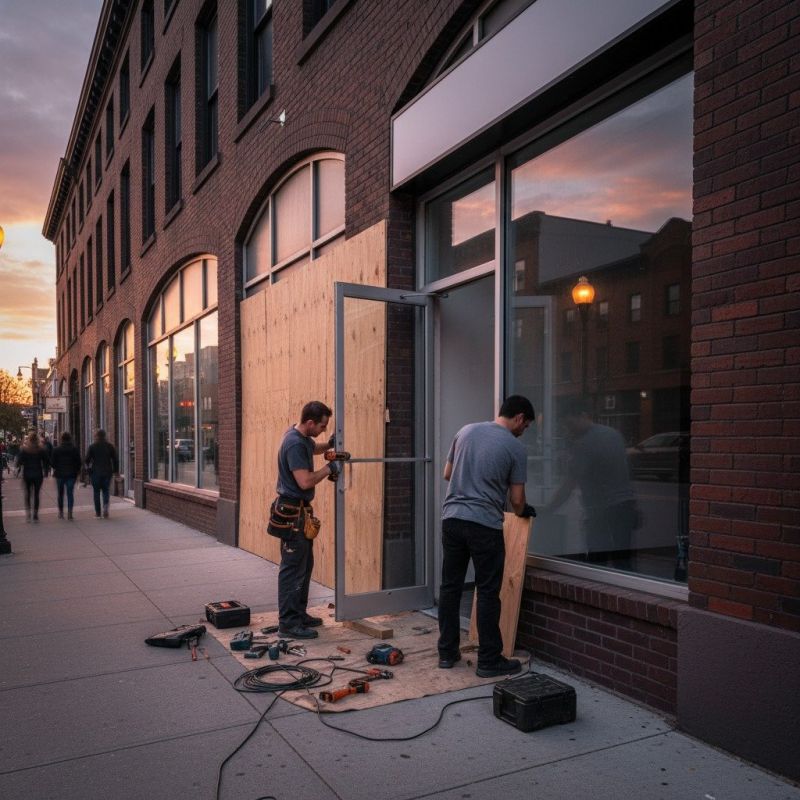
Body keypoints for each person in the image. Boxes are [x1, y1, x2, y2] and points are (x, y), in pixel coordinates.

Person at [438, 395, 536, 678]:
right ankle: (489, 661)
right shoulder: (515, 448)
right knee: (488, 591)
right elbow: (516, 500)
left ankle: (447, 653)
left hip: (452, 519)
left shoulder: (465, 431)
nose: (524, 430)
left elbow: (447, 473)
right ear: (519, 417)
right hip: (484, 525)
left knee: (450, 587)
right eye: (526, 425)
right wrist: (523, 509)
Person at [542, 396, 638, 569]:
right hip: (624, 505)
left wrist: (548, 509)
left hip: (601, 510)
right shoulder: (613, 434)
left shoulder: (584, 443)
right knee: (623, 561)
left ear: (583, 415)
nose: (569, 429)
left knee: (597, 562)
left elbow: (569, 484)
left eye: (570, 424)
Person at [275, 401, 339, 639]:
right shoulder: (294, 444)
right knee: (292, 570)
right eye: (322, 426)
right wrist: (330, 468)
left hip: (300, 513)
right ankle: (288, 624)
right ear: (310, 423)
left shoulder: (301, 438)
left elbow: (313, 448)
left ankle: (299, 614)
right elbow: (305, 482)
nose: (324, 430)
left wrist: (329, 445)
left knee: (304, 566)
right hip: (293, 515)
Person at [84, 429, 119, 519]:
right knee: (106, 490)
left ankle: (98, 513)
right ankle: (105, 506)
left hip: (96, 472)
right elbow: (115, 459)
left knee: (96, 492)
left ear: (96, 436)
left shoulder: (92, 446)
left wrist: (88, 470)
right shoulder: (110, 446)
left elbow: (86, 460)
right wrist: (116, 471)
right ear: (104, 436)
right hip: (107, 472)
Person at [15, 431, 49, 523]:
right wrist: (46, 471)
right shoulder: (41, 449)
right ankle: (35, 515)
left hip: (27, 474)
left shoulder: (25, 450)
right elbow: (46, 461)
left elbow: (19, 462)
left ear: (29, 439)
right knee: (36, 495)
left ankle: (28, 514)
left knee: (28, 494)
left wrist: (19, 465)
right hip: (38, 474)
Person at [51, 431, 82, 520]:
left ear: (61, 439)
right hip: (71, 474)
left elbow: (52, 463)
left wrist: (57, 467)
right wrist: (77, 471)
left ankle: (61, 512)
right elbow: (79, 462)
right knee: (70, 494)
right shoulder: (74, 449)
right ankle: (70, 513)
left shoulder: (56, 450)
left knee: (60, 494)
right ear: (70, 438)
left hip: (60, 474)